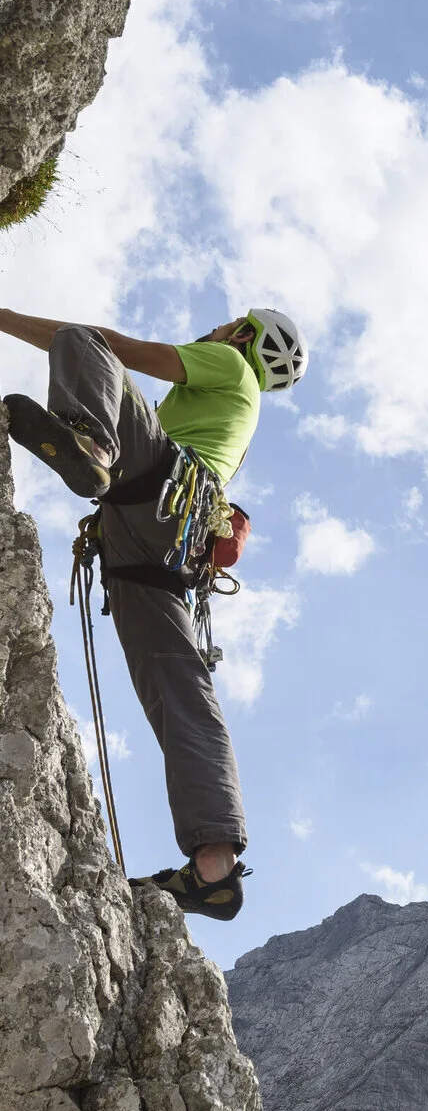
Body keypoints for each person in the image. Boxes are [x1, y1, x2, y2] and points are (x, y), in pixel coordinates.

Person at [0, 306, 306, 920]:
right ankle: (215, 867)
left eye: (228, 324)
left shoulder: (229, 367)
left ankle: (92, 442)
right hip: (162, 543)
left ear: (244, 336)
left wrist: (4, 317)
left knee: (83, 338)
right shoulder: (234, 419)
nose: (215, 329)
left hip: (153, 497)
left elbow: (117, 348)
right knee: (181, 689)